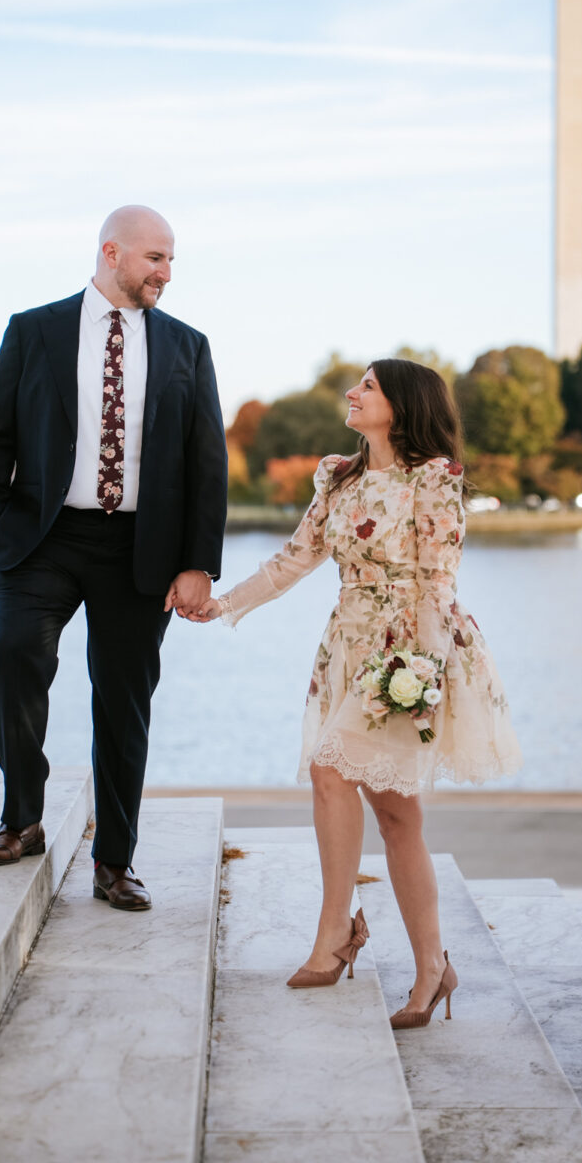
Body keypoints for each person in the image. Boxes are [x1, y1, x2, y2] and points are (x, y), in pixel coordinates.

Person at [188, 359, 521, 1024]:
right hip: (346, 645)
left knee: (337, 776)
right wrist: (226, 605)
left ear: (403, 405)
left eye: (368, 385)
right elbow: (295, 558)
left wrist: (423, 678)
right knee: (391, 811)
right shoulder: (340, 476)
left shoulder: (434, 480)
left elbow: (438, 584)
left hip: (407, 654)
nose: (353, 392)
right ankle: (416, 961)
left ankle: (358, 942)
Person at [0, 205, 227, 908]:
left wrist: (199, 561)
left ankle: (115, 861)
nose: (165, 273)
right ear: (112, 252)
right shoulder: (34, 330)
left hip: (140, 549)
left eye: (171, 261)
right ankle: (22, 819)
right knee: (16, 660)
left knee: (124, 702)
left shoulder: (187, 347)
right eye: (154, 258)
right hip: (41, 540)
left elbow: (208, 462)